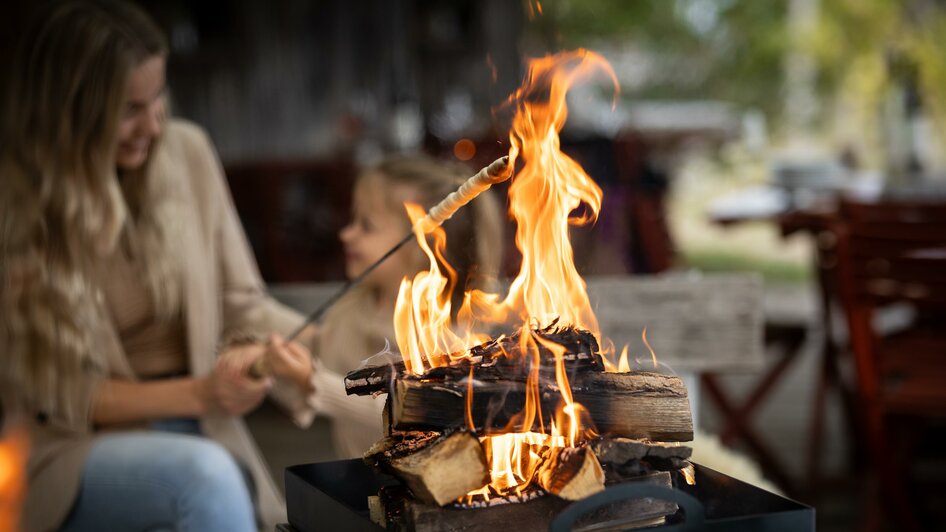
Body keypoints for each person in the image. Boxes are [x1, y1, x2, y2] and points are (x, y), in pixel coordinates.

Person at [0, 1, 317, 530]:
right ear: (68, 109)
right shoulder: (19, 200)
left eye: (158, 98)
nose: (151, 124)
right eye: (127, 109)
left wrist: (314, 355)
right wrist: (200, 392)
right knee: (205, 478)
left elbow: (242, 306)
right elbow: (52, 394)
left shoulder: (187, 151)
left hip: (202, 426)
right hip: (73, 450)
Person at [305, 155, 504, 458]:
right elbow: (321, 344)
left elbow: (407, 414)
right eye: (353, 220)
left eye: (366, 226)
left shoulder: (444, 337)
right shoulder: (355, 307)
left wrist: (313, 382)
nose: (346, 234)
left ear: (422, 247)